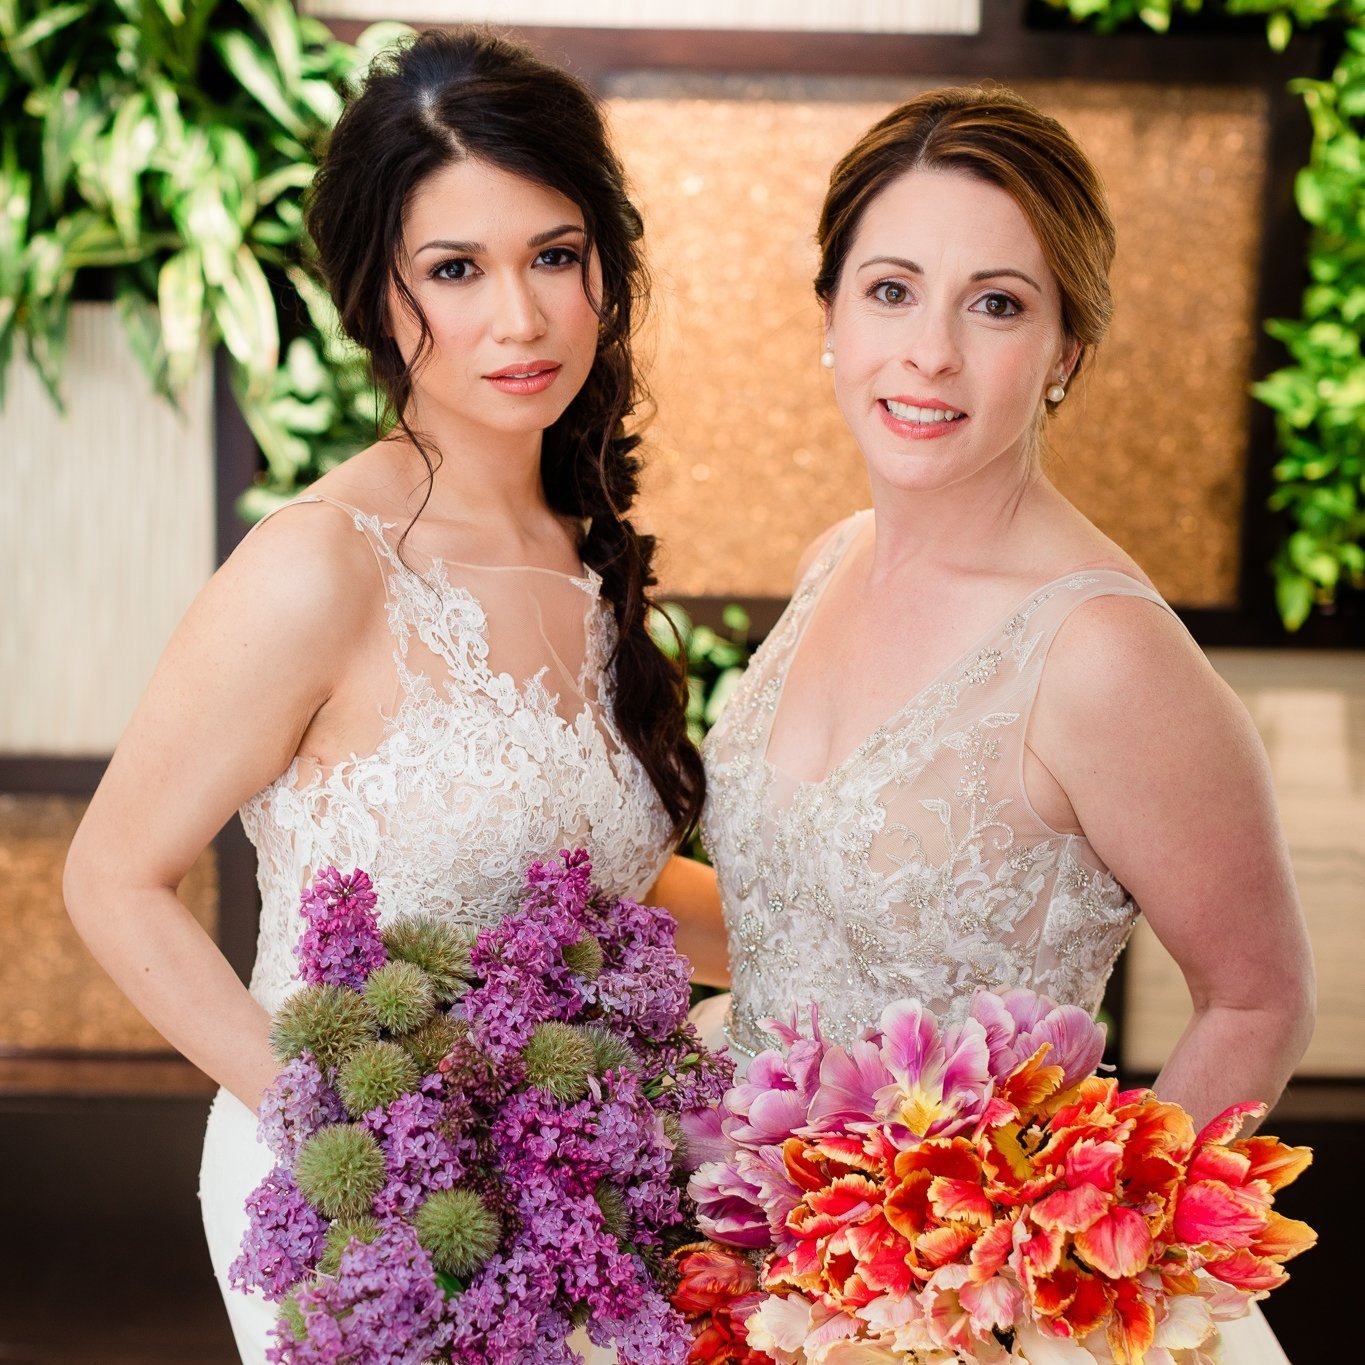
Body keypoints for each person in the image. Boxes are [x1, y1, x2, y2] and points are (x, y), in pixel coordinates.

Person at [63, 28, 722, 1361]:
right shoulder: (322, 564)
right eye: (455, 270)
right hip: (358, 1222)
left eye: (554, 256)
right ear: (376, 293)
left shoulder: (587, 554)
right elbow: (112, 878)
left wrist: (861, 934)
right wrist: (343, 1144)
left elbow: (607, 889)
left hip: (574, 1208)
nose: (521, 319)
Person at [694, 87, 1314, 1363]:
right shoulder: (833, 560)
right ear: (830, 317)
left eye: (996, 305)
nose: (929, 354)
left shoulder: (1103, 654)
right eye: (891, 291)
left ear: (1066, 349)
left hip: (957, 1315)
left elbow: (1259, 1000)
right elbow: (787, 915)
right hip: (729, 1235)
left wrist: (1054, 1270)